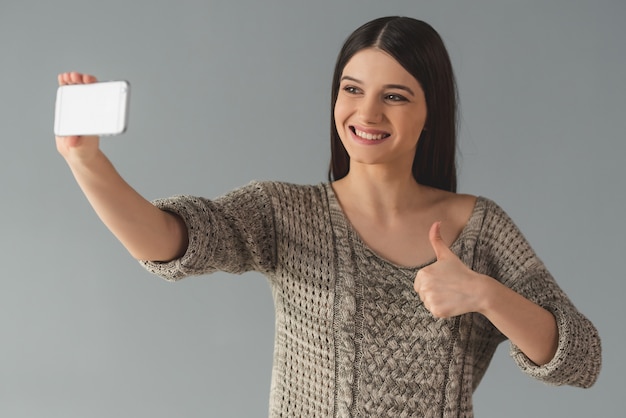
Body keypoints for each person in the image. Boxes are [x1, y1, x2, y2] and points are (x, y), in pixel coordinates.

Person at [56, 16, 601, 418]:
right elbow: (170, 241)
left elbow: (582, 360)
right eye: (352, 89)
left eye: (395, 96)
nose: (366, 113)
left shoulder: (479, 228)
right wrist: (86, 161)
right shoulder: (284, 212)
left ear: (430, 111)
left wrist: (486, 294)